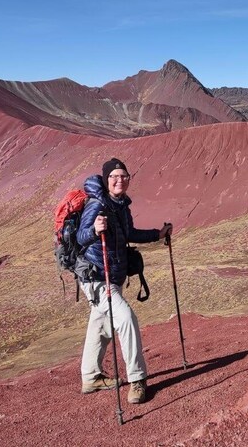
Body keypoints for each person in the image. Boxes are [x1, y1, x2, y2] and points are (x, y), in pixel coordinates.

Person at [75, 158, 172, 403]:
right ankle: (138, 379)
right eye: (114, 177)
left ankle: (91, 377)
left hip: (113, 275)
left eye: (124, 176)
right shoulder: (97, 205)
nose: (120, 180)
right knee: (126, 318)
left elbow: (129, 233)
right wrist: (95, 229)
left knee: (101, 325)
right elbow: (80, 238)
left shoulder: (120, 205)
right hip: (97, 277)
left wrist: (157, 235)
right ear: (106, 180)